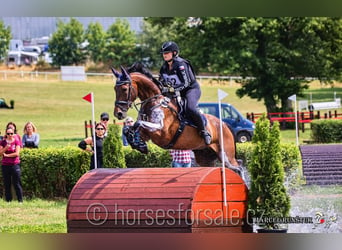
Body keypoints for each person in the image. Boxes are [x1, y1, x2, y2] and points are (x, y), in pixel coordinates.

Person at [159, 41, 211, 145]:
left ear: (174, 53)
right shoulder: (164, 68)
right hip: (176, 92)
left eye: (167, 53)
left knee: (190, 108)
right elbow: (161, 82)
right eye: (163, 53)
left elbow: (186, 83)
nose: (164, 55)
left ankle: (204, 131)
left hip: (191, 90)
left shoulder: (181, 64)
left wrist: (171, 90)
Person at [0, 127, 23, 202]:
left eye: (11, 133)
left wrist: (7, 155)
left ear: (13, 134)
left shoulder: (16, 141)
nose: (10, 135)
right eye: (8, 133)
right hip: (5, 165)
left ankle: (20, 200)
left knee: (17, 183)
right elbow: (0, 153)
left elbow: (17, 153)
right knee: (7, 183)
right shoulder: (2, 142)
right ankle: (8, 200)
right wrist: (6, 148)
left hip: (15, 164)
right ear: (6, 134)